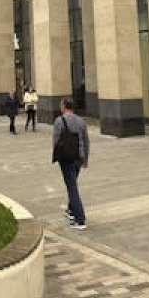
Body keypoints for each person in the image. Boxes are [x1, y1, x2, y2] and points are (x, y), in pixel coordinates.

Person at [52, 98, 89, 230]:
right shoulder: (81, 121)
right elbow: (86, 141)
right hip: (78, 157)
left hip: (66, 158)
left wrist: (56, 157)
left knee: (72, 187)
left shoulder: (59, 121)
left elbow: (56, 141)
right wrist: (85, 160)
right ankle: (71, 210)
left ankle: (80, 219)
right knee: (72, 183)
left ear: (64, 106)